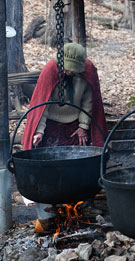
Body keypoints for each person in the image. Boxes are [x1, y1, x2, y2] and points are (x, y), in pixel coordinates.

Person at [21, 42, 108, 223]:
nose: (70, 73)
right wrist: (39, 131)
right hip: (51, 121)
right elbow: (41, 105)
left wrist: (83, 126)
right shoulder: (50, 71)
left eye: (73, 70)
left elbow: (89, 101)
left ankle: (78, 199)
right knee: (49, 162)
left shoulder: (87, 71)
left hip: (74, 122)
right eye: (68, 69)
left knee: (78, 161)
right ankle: (51, 201)